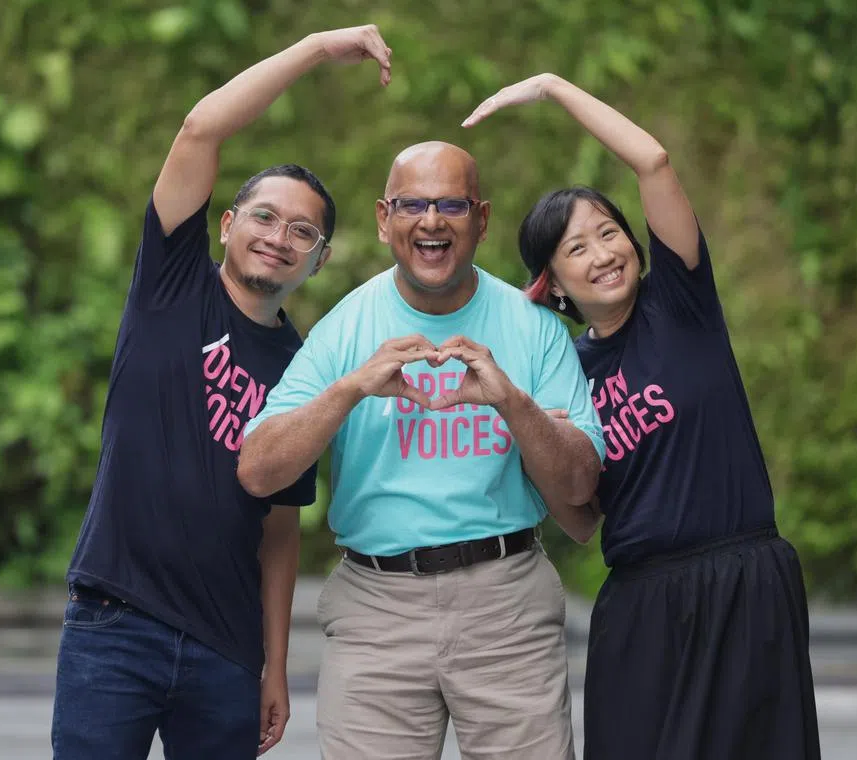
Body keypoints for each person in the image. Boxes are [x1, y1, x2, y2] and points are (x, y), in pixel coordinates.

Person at [50, 24, 394, 760]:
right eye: (265, 217)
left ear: (320, 260)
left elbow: (279, 531)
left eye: (303, 232)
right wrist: (314, 49)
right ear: (229, 224)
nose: (279, 237)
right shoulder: (172, 287)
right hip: (116, 623)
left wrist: (273, 664)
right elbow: (202, 126)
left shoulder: (306, 366)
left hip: (226, 651)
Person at [462, 73, 822, 759]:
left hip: (744, 581)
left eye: (609, 232)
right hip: (642, 604)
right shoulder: (561, 370)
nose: (602, 254)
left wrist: (552, 88)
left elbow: (651, 161)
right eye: (576, 249)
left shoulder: (680, 304)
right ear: (553, 285)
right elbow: (579, 518)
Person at [237, 141, 606, 759]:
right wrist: (352, 387)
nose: (431, 221)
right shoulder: (346, 327)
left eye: (452, 205)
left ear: (481, 220)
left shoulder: (534, 326)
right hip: (375, 611)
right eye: (412, 204)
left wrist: (511, 402)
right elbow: (257, 469)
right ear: (385, 219)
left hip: (506, 605)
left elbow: (580, 489)